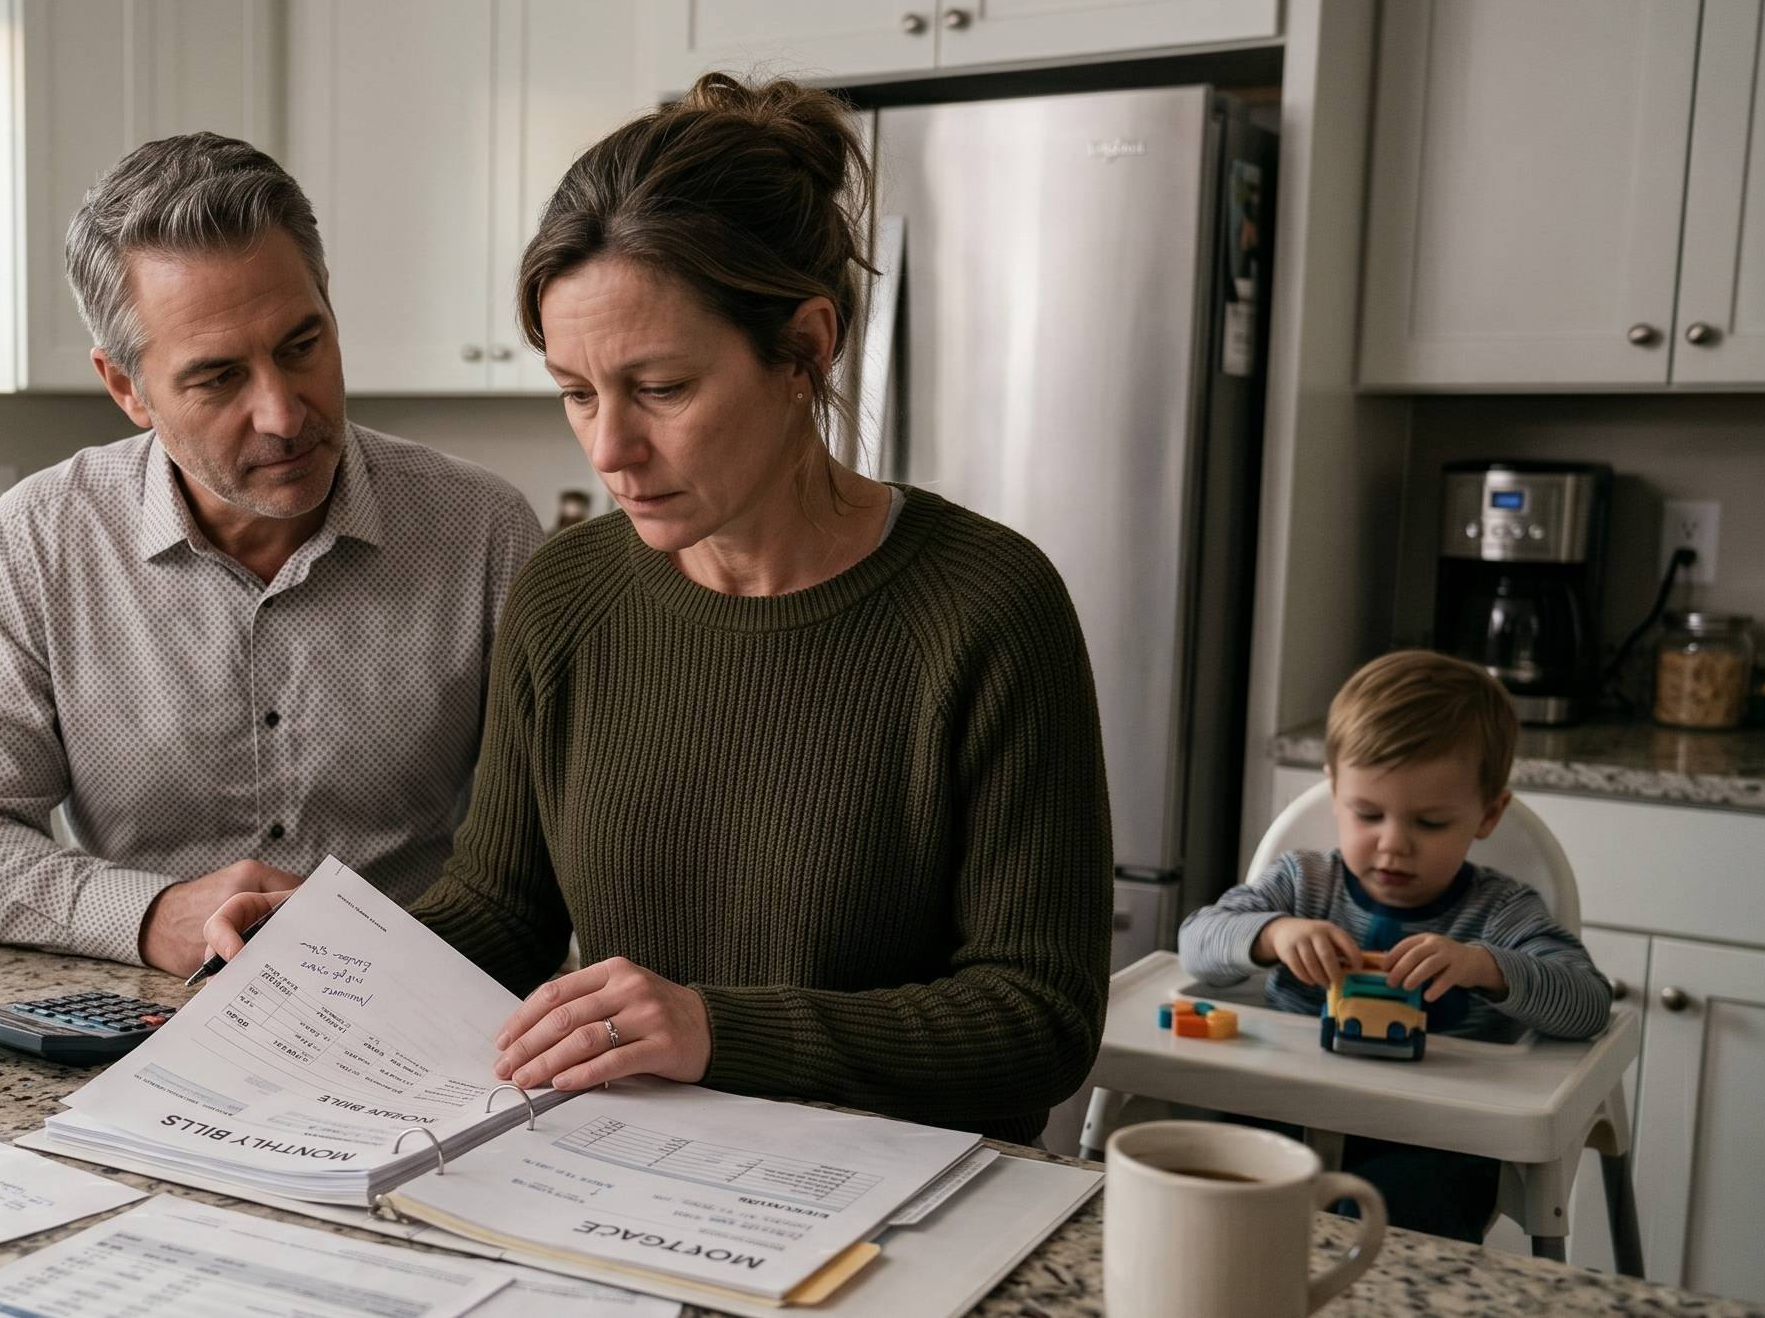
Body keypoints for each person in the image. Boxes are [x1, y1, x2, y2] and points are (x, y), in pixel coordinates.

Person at [209, 75, 1114, 1146]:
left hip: (905, 1209)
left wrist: (713, 1029)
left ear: (804, 350)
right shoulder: (568, 595)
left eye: (661, 389)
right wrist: (332, 951)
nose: (607, 450)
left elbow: (1037, 1021)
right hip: (635, 1177)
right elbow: (502, 915)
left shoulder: (988, 609)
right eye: (577, 392)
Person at [0, 133, 543, 976]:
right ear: (126, 387)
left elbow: (555, 841)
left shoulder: (485, 532)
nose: (283, 414)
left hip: (416, 1013)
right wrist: (152, 915)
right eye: (217, 378)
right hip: (144, 1021)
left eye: (301, 345)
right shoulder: (39, 540)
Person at [1180, 648, 1610, 1241]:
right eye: (1367, 814)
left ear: (1488, 815)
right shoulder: (1304, 884)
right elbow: (1196, 943)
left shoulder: (1500, 912)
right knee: (1194, 1173)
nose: (1393, 845)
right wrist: (1274, 934)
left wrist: (1485, 967)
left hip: (1434, 1140)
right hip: (1284, 1118)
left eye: (1430, 823)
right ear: (1334, 793)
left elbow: (1588, 1000)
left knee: (1397, 1212)